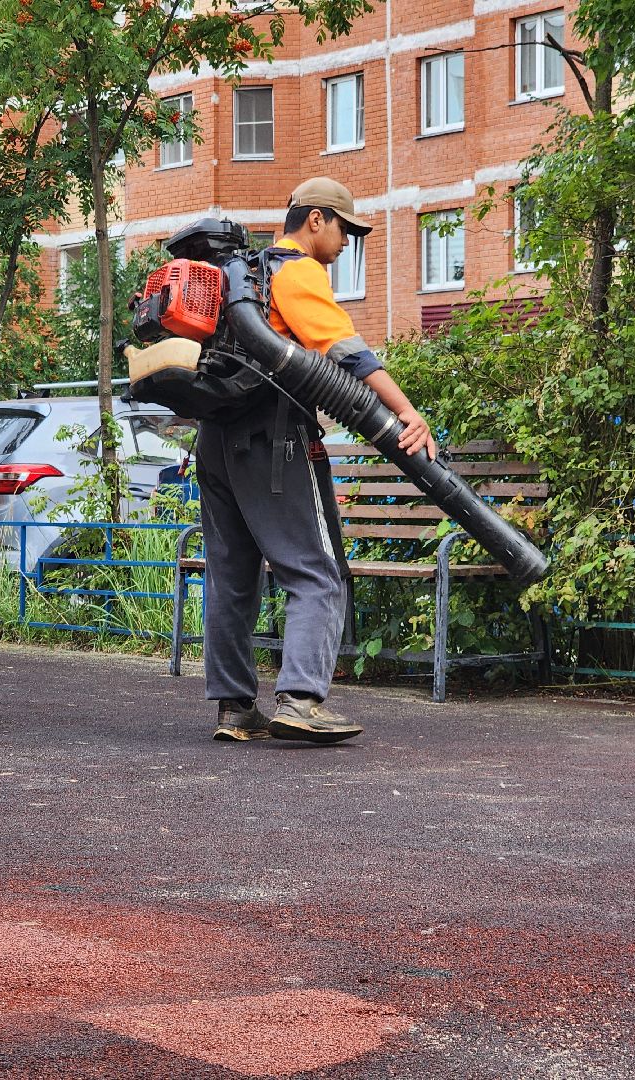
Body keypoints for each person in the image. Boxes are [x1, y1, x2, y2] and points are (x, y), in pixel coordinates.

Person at [197, 176, 437, 745]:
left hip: (213, 441)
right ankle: (301, 699)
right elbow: (346, 352)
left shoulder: (241, 276)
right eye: (345, 230)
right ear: (317, 220)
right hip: (274, 442)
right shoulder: (294, 270)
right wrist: (407, 412)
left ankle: (235, 710)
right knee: (318, 571)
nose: (346, 243)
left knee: (232, 576)